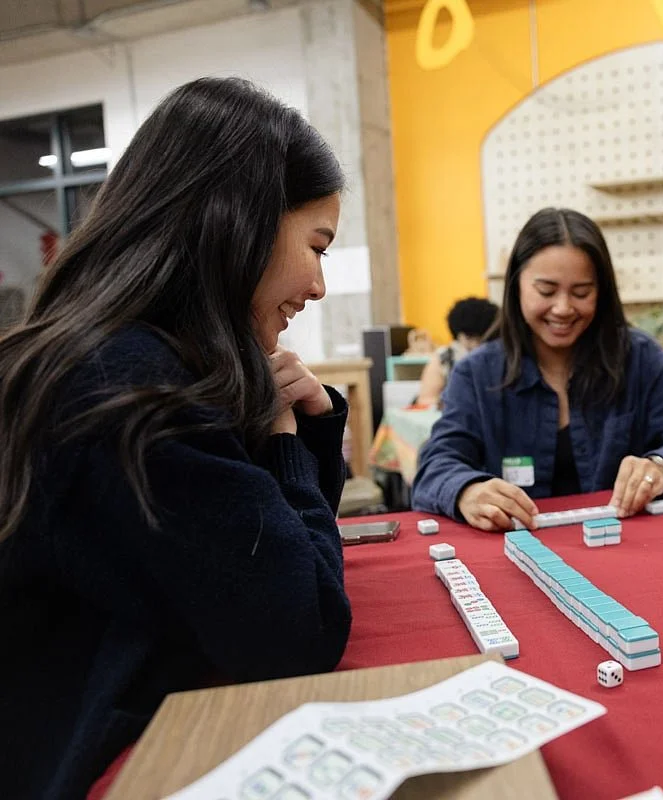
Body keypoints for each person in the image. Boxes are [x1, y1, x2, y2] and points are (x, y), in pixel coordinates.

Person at [0, 78, 353, 799]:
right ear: (239, 221)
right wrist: (287, 436)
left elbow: (269, 548)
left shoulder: (114, 357)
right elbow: (301, 628)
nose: (317, 286)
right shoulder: (135, 390)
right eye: (315, 247)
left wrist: (302, 432)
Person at [412, 208, 663, 531]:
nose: (563, 308)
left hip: (625, 550)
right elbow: (435, 466)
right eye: (546, 291)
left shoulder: (641, 358)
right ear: (516, 285)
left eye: (581, 293)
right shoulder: (476, 374)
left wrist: (660, 467)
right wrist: (468, 490)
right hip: (515, 554)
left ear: (602, 291)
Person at [415, 297, 499, 407]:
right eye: (469, 338)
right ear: (458, 336)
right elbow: (426, 399)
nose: (475, 345)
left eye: (481, 339)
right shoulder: (444, 358)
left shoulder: (499, 357)